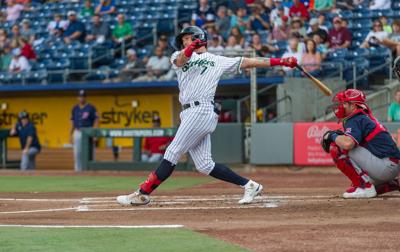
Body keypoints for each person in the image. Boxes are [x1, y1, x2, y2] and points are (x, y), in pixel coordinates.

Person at [116, 25, 297, 206]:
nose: (184, 42)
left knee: (172, 151)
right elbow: (180, 60)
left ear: (198, 37)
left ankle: (143, 193)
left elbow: (250, 61)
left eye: (187, 38)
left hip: (201, 110)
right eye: (183, 40)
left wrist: (281, 62)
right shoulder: (180, 56)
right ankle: (250, 185)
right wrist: (189, 47)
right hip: (188, 112)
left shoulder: (217, 60)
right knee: (204, 165)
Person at [321, 89, 400, 198]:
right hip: (390, 165)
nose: (341, 105)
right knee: (355, 186)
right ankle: (393, 184)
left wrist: (331, 136)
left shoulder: (356, 119)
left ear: (353, 106)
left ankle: (365, 187)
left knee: (337, 147)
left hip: (385, 166)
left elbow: (348, 144)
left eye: (345, 103)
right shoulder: (363, 117)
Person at [70, 90, 99, 172]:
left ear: (86, 98)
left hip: (88, 132)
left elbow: (96, 120)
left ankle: (91, 170)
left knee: (90, 152)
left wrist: (95, 134)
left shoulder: (91, 107)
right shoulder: (75, 108)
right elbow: (72, 122)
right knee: (77, 153)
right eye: (80, 96)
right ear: (77, 98)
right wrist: (70, 135)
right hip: (77, 131)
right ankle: (78, 171)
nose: (81, 98)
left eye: (83, 96)